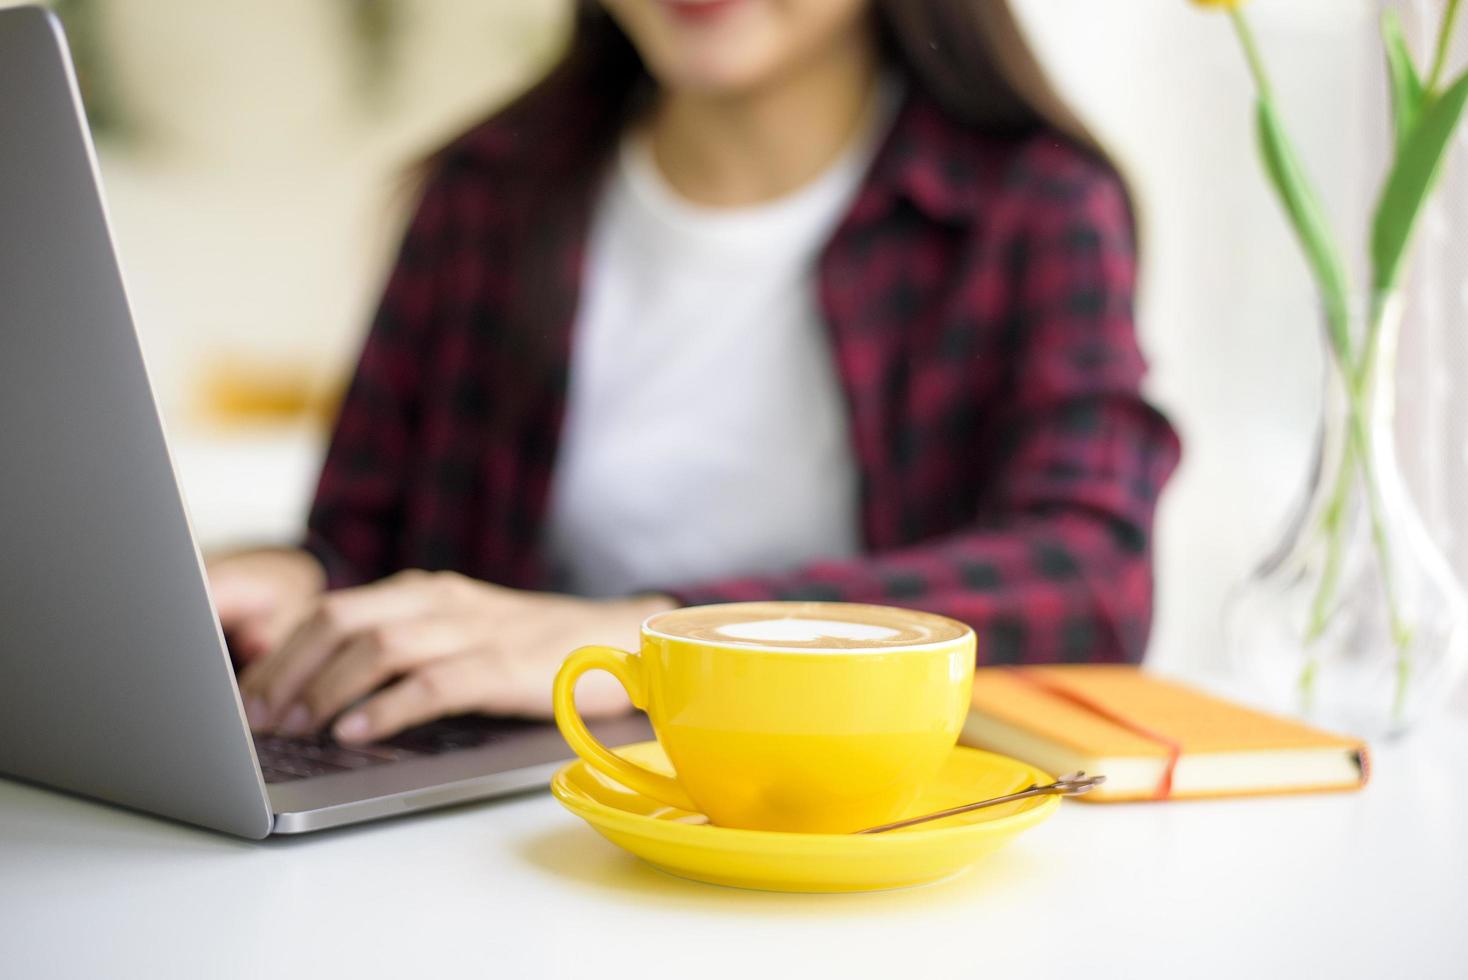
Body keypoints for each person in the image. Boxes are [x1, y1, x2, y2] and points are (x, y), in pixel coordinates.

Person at [210, 0, 1181, 746]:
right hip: (500, 825)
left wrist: (652, 647)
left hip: (852, 845)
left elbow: (1089, 575)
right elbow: (363, 546)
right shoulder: (487, 193)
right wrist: (294, 591)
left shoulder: (1031, 202)